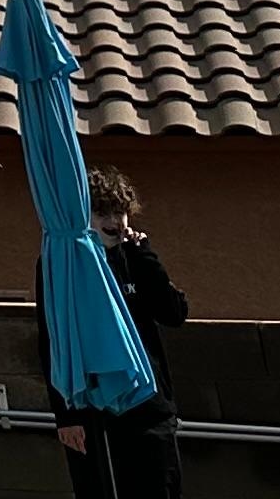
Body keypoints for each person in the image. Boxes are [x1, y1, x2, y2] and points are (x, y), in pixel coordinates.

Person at [54, 167, 191, 499]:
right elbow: (53, 340)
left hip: (150, 406)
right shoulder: (64, 265)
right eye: (102, 212)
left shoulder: (136, 257)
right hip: (95, 411)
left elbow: (174, 314)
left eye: (120, 211)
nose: (114, 221)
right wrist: (65, 415)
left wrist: (146, 257)